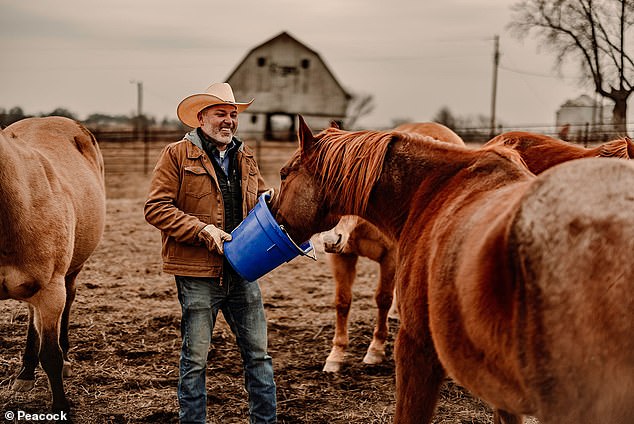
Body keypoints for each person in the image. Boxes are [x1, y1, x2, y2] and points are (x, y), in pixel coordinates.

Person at [144, 82, 276, 424]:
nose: (229, 120)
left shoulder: (245, 155)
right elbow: (156, 208)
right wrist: (202, 230)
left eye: (233, 114)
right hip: (198, 275)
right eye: (221, 114)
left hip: (244, 270)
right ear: (201, 119)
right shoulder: (176, 155)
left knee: (259, 356)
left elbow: (263, 203)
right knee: (195, 359)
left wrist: (290, 218)